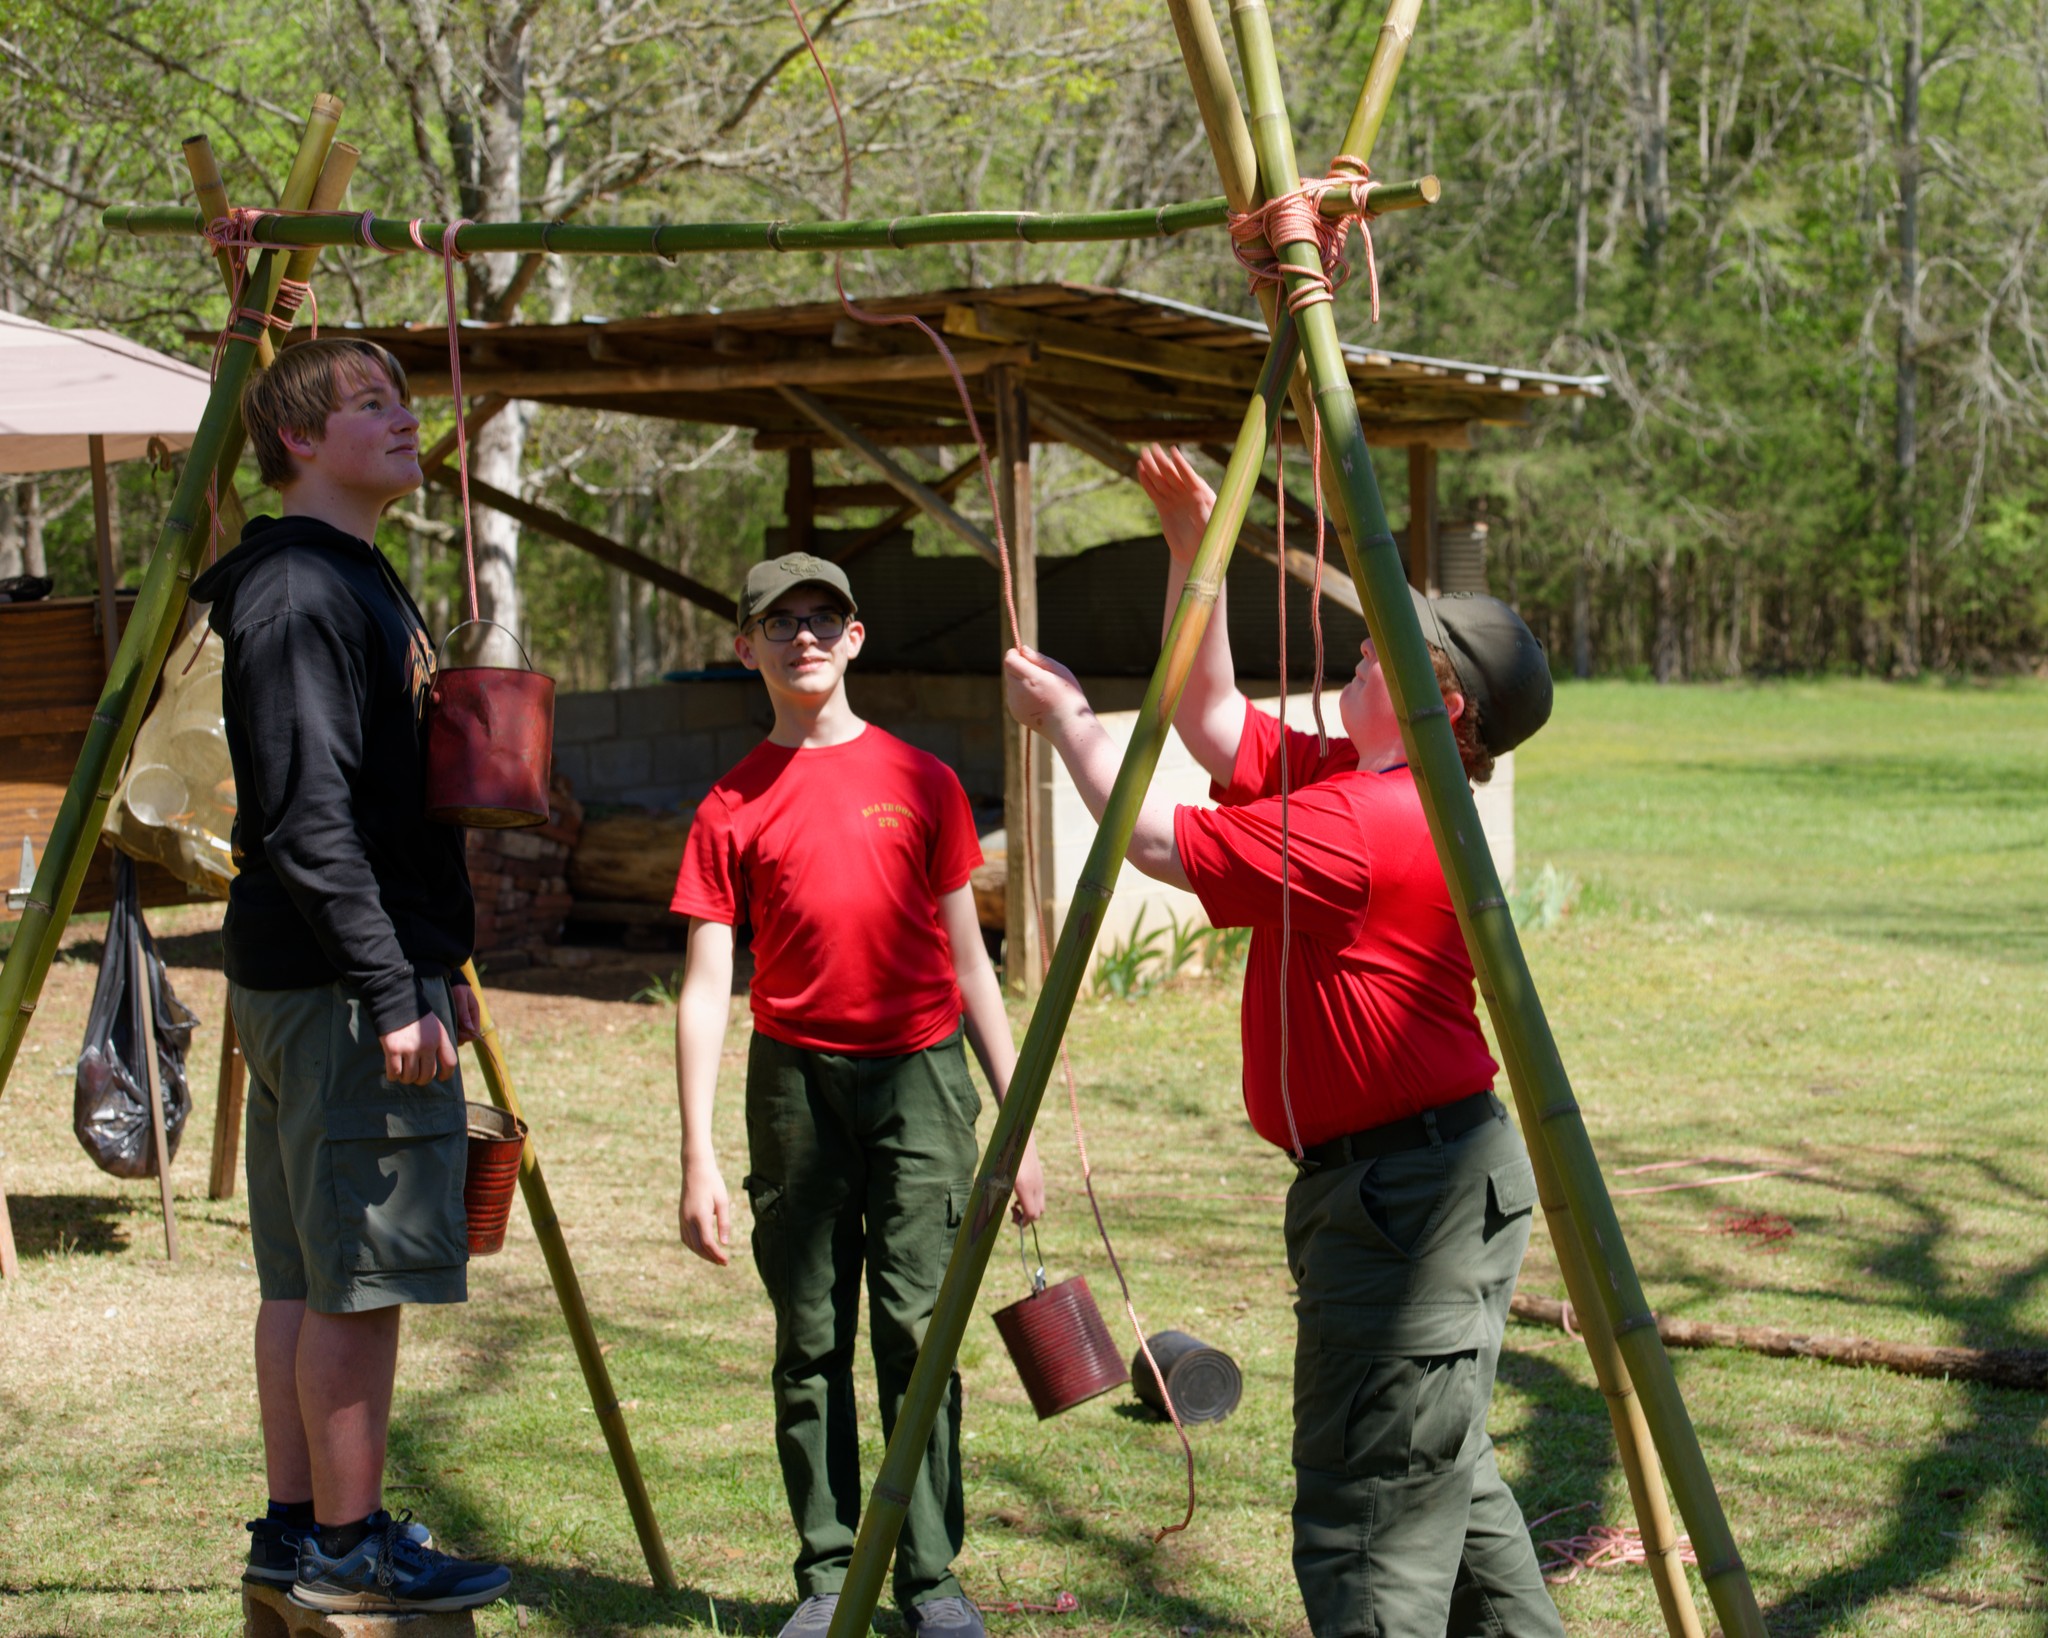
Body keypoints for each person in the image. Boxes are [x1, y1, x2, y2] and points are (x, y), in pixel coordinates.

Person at [1001, 446, 1566, 1638]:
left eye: (1384, 650)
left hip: (1405, 1200)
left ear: (1440, 701)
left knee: (1366, 1518)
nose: (1361, 649)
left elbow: (1156, 844)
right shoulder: (1365, 776)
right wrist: (1186, 548)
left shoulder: (1376, 819)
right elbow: (1207, 719)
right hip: (1416, 1182)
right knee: (1437, 1477)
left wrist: (1061, 722)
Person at [191, 338, 511, 1616]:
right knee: (361, 1283)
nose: (401, 418)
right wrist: (392, 990)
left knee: (305, 1277)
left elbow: (382, 809)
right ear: (297, 443)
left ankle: (295, 1531)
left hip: (332, 977)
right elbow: (310, 820)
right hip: (333, 991)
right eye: (366, 403)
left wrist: (440, 964)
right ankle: (347, 1543)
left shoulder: (347, 576)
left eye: (402, 397)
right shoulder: (297, 595)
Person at [671, 552, 1048, 1638]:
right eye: (776, 621)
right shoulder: (727, 804)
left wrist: (1010, 1119)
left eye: (822, 617)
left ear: (855, 638)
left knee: (915, 1333)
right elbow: (705, 987)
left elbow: (972, 962)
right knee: (809, 1336)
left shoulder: (920, 781)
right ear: (742, 646)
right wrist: (697, 1156)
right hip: (792, 1085)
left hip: (923, 1080)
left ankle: (931, 1581)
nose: (802, 636)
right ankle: (829, 1572)